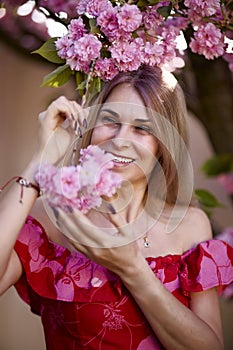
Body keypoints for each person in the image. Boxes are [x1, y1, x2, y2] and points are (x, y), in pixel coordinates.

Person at [0, 65, 232, 350]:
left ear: (163, 144)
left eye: (141, 129)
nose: (121, 140)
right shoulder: (51, 220)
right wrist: (40, 160)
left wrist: (133, 269)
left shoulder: (191, 225)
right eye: (110, 121)